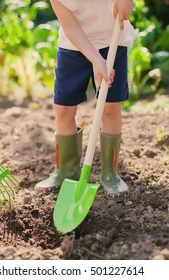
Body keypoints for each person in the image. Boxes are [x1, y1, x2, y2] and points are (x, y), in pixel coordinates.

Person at [35, 0, 135, 201]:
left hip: (112, 40)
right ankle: (66, 170)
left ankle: (110, 173)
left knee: (110, 108)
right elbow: (70, 25)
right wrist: (97, 60)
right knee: (63, 108)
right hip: (73, 46)